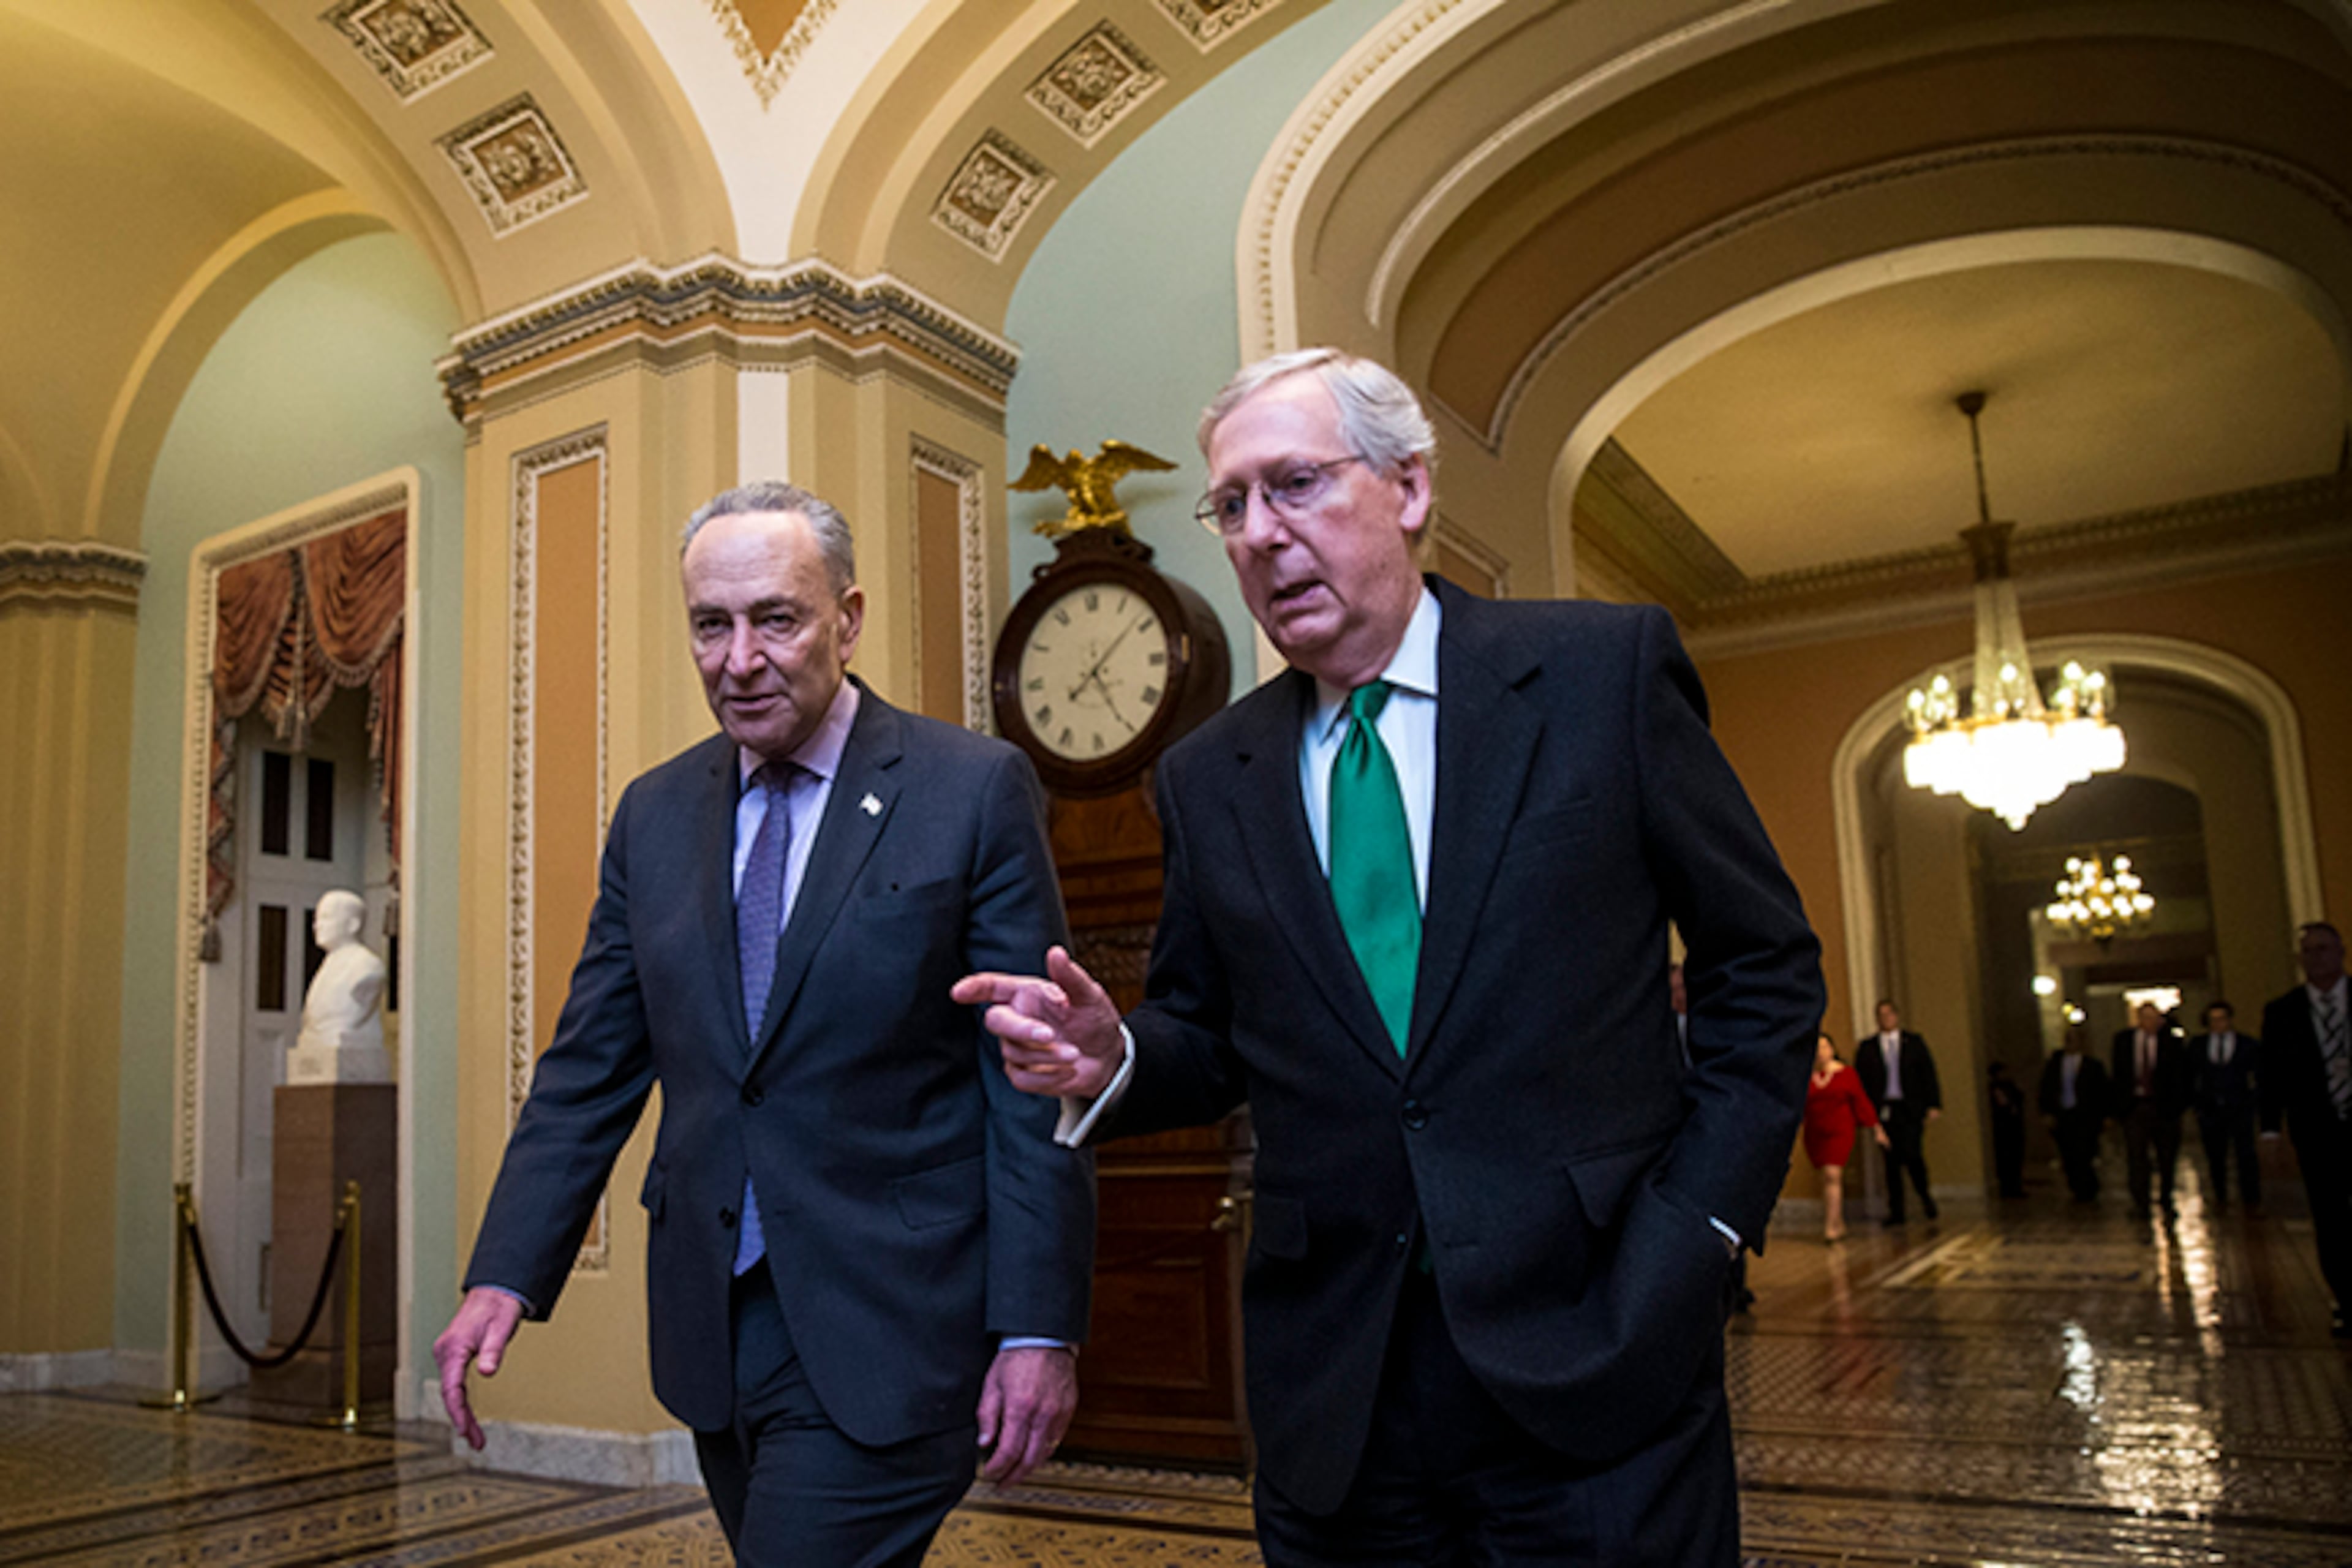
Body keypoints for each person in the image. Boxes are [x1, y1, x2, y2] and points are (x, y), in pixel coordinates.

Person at [957, 349, 1823, 1565]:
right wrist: (1114, 1055)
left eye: (1297, 484)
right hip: (1340, 1399)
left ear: (1409, 488)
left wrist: (1705, 1228)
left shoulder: (1599, 675)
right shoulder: (1209, 774)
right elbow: (1209, 1033)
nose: (1260, 533)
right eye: (1234, 503)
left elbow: (1763, 963)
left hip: (1603, 1354)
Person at [433, 483, 1095, 1566]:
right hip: (714, 1324)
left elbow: (1032, 1085)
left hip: (895, 1321)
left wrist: (1038, 1325)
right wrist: (504, 1273)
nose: (740, 658)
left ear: (849, 615)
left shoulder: (969, 790)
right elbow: (590, 1067)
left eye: (776, 619)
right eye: (711, 623)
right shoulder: (653, 814)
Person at [2260, 922, 2352, 1336]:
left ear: (2341, 953)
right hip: (2317, 1129)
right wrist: (2270, 1131)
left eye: (2324, 949)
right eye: (2309, 952)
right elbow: (2271, 1076)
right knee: (2331, 1217)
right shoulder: (2283, 1012)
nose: (2318, 958)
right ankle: (2345, 1300)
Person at [1856, 1000, 1942, 1224]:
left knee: (1913, 1154)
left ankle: (1924, 1196)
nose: (1886, 1019)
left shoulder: (1913, 1043)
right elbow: (1862, 1081)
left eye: (1889, 1014)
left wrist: (1933, 1104)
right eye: (1881, 1015)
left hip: (1910, 1107)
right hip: (1884, 1109)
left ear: (1896, 1016)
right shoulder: (1868, 1048)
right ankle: (1897, 1211)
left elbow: (1927, 1073)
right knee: (1890, 1161)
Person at [1804, 1033, 1887, 1242]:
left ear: (1832, 1049)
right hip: (1815, 1133)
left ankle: (1830, 1226)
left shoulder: (1846, 1074)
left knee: (1833, 1175)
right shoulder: (1806, 1076)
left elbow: (1861, 1101)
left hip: (1839, 1130)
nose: (1820, 1053)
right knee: (1825, 1178)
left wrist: (1875, 1127)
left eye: (1824, 1047)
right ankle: (1837, 1220)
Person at [2111, 1001, 2188, 1218]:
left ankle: (2166, 1197)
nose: (2149, 1023)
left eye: (2153, 1018)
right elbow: (2119, 1075)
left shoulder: (2171, 1043)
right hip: (2135, 1107)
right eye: (2145, 1018)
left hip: (2163, 1108)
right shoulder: (2124, 1041)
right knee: (2136, 1157)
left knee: (2166, 1157)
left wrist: (2177, 1106)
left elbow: (2181, 1076)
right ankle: (2140, 1202)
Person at [2188, 1000, 2263, 1208]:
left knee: (2245, 1154)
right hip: (2211, 1108)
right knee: (2215, 1155)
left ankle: (2251, 1197)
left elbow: (2258, 1076)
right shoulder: (2198, 1046)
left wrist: (2252, 1101)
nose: (2218, 1024)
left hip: (2239, 1106)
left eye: (2221, 1019)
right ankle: (2220, 1195)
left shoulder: (2247, 1044)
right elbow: (2191, 1076)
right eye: (2213, 1020)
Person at [2038, 1021, 2109, 1202]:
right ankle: (2076, 1185)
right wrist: (2047, 1112)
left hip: (2086, 1117)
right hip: (2063, 1115)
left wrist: (2105, 1116)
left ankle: (2088, 1187)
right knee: (2068, 1154)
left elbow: (2102, 1092)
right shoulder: (2055, 1064)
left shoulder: (2093, 1066)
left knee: (2086, 1153)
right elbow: (2046, 1089)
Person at [1987, 1061, 2028, 1199]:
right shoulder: (1994, 1089)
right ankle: (2008, 1188)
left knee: (2016, 1158)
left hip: (2014, 1127)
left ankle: (2016, 1186)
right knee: (2006, 1159)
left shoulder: (2011, 1087)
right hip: (2003, 1129)